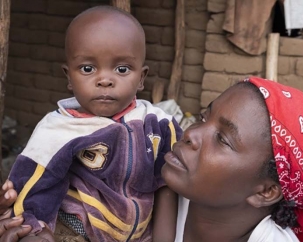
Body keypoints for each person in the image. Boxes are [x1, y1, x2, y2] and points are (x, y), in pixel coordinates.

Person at [1, 77, 303, 242]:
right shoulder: (142, 189)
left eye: (223, 139)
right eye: (203, 117)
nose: (191, 134)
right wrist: (27, 216)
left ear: (266, 190)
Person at [5, 5, 182, 242]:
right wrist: (36, 230)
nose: (105, 80)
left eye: (122, 69)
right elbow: (33, 188)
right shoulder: (59, 130)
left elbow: (166, 185)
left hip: (140, 235)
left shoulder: (159, 124)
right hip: (75, 232)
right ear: (69, 77)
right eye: (88, 68)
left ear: (141, 78)